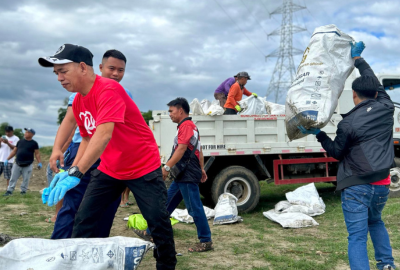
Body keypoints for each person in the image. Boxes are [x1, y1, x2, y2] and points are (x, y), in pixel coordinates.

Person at [39, 44, 176, 269]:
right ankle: (81, 264)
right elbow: (86, 138)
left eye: (63, 71)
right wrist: (69, 171)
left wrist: (77, 172)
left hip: (142, 166)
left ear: (83, 67)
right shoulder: (81, 99)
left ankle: (166, 265)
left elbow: (103, 134)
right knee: (83, 219)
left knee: (157, 222)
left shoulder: (108, 89)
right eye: (56, 73)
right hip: (111, 168)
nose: (59, 78)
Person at [298, 42, 395, 270]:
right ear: (376, 92)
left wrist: (319, 134)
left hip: (356, 186)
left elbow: (336, 152)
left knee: (357, 237)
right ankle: (387, 265)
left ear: (354, 95)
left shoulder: (348, 123)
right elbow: (372, 79)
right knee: (376, 221)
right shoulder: (387, 106)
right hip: (382, 183)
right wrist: (358, 60)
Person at [44, 49, 135, 235]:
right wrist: (57, 149)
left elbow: (122, 131)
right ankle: (60, 248)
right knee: (72, 201)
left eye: (121, 70)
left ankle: (95, 253)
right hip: (82, 149)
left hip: (110, 153)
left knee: (105, 207)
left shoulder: (124, 93)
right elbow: (70, 121)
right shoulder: (79, 93)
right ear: (100, 68)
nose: (116, 74)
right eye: (111, 68)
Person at [134, 97, 213, 253]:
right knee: (166, 203)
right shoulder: (190, 127)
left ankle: (206, 241)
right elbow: (199, 150)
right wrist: (202, 168)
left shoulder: (186, 126)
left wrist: (166, 168)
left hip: (187, 174)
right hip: (184, 174)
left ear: (180, 110)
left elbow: (182, 149)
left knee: (194, 208)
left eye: (171, 111)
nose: (169, 114)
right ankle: (151, 233)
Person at [3, 128, 41, 196]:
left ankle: (23, 191)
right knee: (13, 178)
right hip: (17, 163)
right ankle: (9, 191)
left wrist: (39, 162)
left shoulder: (34, 143)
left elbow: (37, 153)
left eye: (27, 132)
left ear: (32, 134)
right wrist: (7, 159)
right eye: (25, 132)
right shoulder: (20, 141)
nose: (25, 133)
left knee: (26, 179)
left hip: (28, 164)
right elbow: (14, 151)